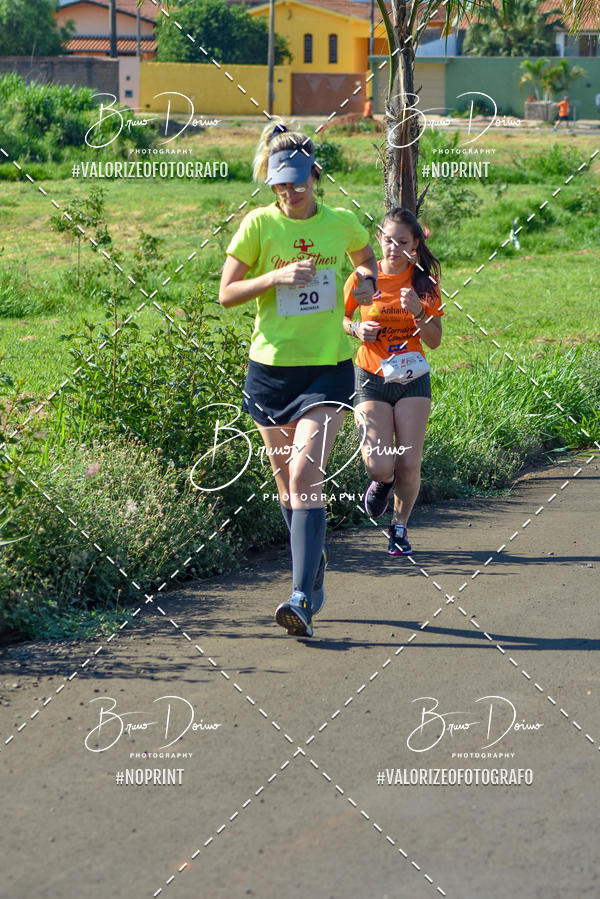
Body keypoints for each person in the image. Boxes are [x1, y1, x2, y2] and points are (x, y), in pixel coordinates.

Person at [219, 120, 378, 637]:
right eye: (280, 183)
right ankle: (314, 568)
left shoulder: (343, 223)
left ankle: (301, 596)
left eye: (298, 180)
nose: (290, 191)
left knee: (307, 474)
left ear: (315, 174)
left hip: (326, 369)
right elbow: (227, 293)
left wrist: (365, 289)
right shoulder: (258, 226)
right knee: (287, 485)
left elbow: (367, 267)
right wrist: (276, 277)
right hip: (269, 372)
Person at [343, 207, 443, 555]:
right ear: (379, 240)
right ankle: (382, 483)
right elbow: (340, 319)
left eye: (403, 242)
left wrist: (418, 311)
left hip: (413, 378)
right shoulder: (361, 279)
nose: (394, 248)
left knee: (409, 461)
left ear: (415, 246)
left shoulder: (424, 284)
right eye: (388, 240)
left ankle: (399, 529)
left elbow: (434, 340)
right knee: (379, 463)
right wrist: (357, 329)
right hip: (371, 375)